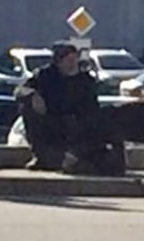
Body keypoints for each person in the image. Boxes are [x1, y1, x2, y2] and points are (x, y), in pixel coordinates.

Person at [15, 42, 122, 174]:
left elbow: (92, 110)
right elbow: (20, 90)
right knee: (27, 107)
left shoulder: (85, 80)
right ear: (59, 61)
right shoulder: (45, 75)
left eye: (74, 59)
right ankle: (40, 157)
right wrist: (33, 95)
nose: (72, 64)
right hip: (50, 122)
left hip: (76, 125)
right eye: (68, 60)